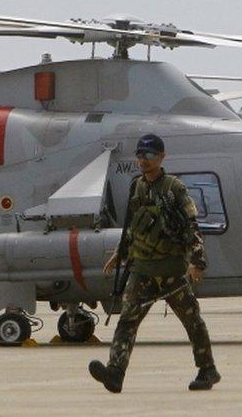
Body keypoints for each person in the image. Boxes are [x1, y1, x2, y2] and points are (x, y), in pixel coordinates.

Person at [89, 133, 219, 393]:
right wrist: (120, 253)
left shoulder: (174, 188)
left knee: (192, 321)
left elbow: (191, 224)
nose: (143, 160)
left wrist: (197, 261)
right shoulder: (137, 186)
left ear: (162, 157)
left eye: (149, 155)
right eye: (140, 155)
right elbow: (131, 226)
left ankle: (207, 370)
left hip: (171, 270)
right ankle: (115, 373)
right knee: (127, 321)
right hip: (143, 270)